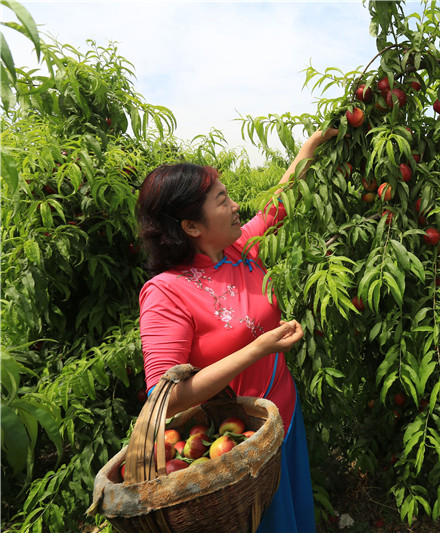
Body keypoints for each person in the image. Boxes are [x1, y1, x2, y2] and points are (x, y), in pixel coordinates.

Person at [136, 128, 337, 533]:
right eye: (223, 200)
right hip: (239, 449)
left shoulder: (238, 249)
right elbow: (165, 398)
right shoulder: (166, 294)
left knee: (294, 513)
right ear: (191, 226)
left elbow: (279, 203)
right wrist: (257, 349)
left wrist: (311, 147)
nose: (236, 205)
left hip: (282, 415)